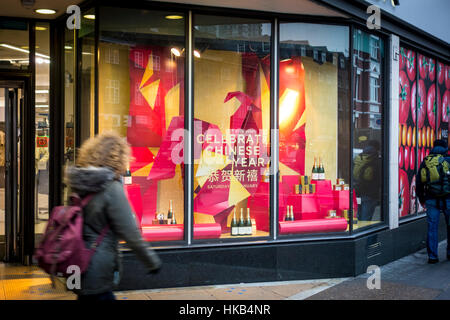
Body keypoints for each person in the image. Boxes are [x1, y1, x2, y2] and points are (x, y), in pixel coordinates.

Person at [64, 131, 161, 300]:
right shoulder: (111, 188)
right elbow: (130, 231)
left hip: (76, 260)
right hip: (97, 266)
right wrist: (151, 261)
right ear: (119, 159)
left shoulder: (79, 183)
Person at [416, 139, 450, 264]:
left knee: (432, 228)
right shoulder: (448, 160)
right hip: (448, 199)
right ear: (445, 148)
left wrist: (422, 199)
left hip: (431, 199)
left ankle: (433, 257)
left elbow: (419, 182)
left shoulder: (426, 161)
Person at [353, 139, 382, 221]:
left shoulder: (360, 156)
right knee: (366, 219)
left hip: (358, 191)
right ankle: (364, 232)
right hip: (370, 194)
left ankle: (358, 232)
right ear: (377, 148)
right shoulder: (375, 159)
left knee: (358, 216)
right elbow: (378, 178)